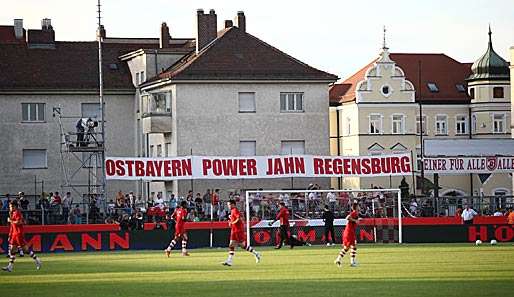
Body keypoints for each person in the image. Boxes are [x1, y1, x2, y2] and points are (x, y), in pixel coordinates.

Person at [2, 201, 42, 272]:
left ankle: (37, 260)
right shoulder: (12, 213)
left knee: (25, 250)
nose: (9, 208)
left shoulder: (17, 212)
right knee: (12, 250)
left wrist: (10, 220)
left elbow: (19, 222)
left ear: (14, 206)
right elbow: (12, 226)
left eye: (11, 206)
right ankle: (10, 267)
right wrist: (10, 235)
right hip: (14, 234)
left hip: (18, 234)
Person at [221, 200, 261, 266]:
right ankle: (229, 261)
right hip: (234, 230)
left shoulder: (235, 210)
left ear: (233, 204)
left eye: (229, 205)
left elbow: (238, 218)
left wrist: (232, 223)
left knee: (242, 245)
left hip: (238, 230)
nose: (228, 206)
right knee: (231, 244)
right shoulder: (232, 210)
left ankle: (256, 253)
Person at [334, 202, 359, 268]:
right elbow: (347, 217)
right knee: (353, 246)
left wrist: (356, 220)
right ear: (356, 207)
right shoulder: (354, 213)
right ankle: (352, 262)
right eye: (358, 206)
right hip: (349, 232)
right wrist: (355, 221)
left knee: (347, 248)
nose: (359, 207)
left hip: (349, 232)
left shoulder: (355, 213)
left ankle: (338, 259)